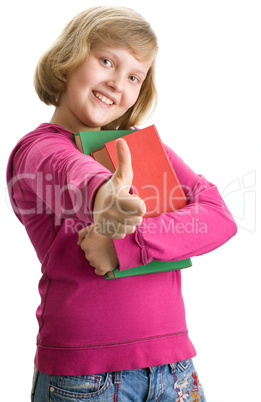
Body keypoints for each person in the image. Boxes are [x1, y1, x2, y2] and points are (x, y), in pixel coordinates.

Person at [6, 6, 237, 401]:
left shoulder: (140, 147)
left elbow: (218, 216)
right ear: (69, 57)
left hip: (176, 370)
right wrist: (106, 198)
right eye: (107, 60)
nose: (117, 83)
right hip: (86, 378)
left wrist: (129, 244)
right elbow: (74, 176)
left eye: (134, 76)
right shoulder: (37, 150)